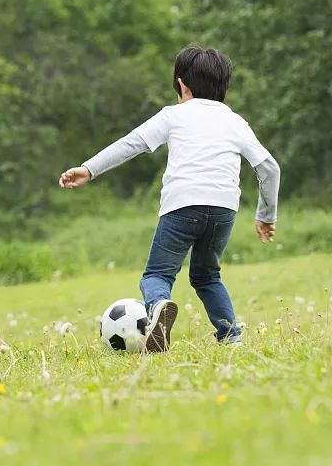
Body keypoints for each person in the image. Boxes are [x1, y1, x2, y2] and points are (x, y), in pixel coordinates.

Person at [59, 45, 280, 351]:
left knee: (157, 275)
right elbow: (268, 167)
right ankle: (231, 337)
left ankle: (159, 306)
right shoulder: (235, 121)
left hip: (182, 205)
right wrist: (266, 215)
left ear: (181, 84)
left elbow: (131, 143)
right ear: (224, 87)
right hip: (223, 209)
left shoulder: (173, 116)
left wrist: (89, 169)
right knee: (206, 276)